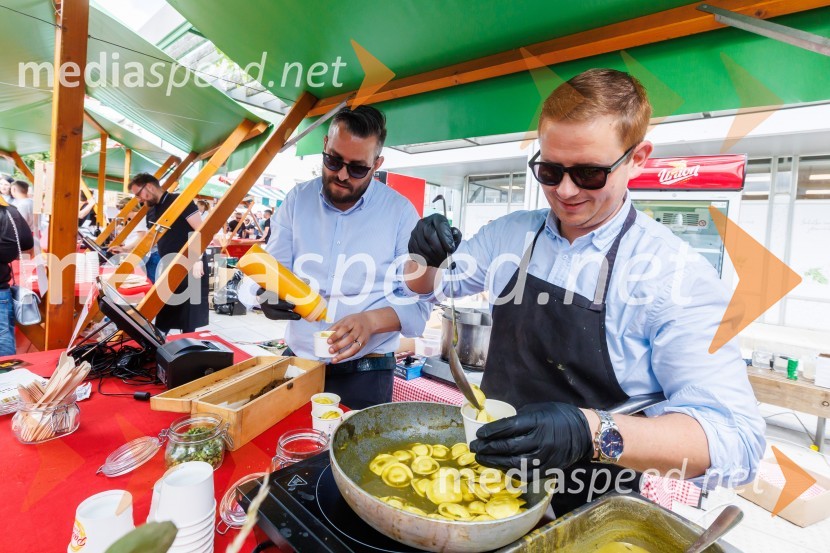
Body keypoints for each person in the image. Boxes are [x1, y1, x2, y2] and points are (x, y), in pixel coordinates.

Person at [405, 68, 765, 514]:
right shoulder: (509, 236)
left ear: (638, 157)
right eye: (550, 170)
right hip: (487, 490)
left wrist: (588, 432)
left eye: (590, 173)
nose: (565, 191)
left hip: (591, 508)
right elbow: (429, 287)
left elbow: (737, 443)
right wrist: (422, 257)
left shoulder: (674, 276)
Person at [256, 105, 431, 408]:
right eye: (333, 160)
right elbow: (272, 273)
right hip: (300, 364)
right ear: (324, 145)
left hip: (367, 369)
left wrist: (371, 321)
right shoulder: (297, 201)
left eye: (357, 168)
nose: (341, 175)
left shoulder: (401, 213)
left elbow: (419, 306)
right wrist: (266, 295)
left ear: (377, 164)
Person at [128, 173, 208, 333]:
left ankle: (189, 351)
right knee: (165, 311)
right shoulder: (151, 212)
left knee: (188, 317)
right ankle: (159, 345)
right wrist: (124, 249)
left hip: (192, 263)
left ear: (149, 186)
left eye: (138, 194)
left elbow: (201, 231)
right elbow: (150, 240)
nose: (139, 199)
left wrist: (198, 259)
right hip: (168, 266)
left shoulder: (180, 201)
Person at [0, 201, 35, 356]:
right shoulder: (8, 211)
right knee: (2, 336)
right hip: (1, 286)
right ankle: (7, 377)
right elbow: (26, 242)